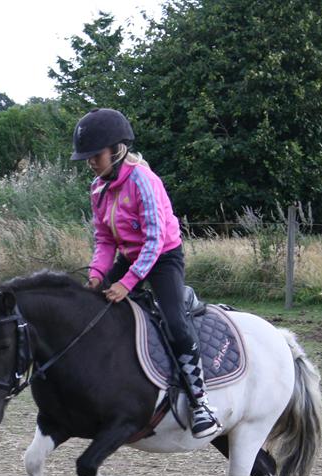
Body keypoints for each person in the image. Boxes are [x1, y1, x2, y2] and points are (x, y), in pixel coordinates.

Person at [72, 108, 221, 438]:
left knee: (174, 321)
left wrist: (126, 284)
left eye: (95, 155)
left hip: (163, 257)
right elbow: (104, 239)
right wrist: (98, 274)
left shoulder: (144, 181)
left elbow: (154, 241)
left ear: (118, 149)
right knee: (91, 307)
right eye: (87, 157)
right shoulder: (98, 188)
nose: (90, 163)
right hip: (129, 255)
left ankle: (201, 403)